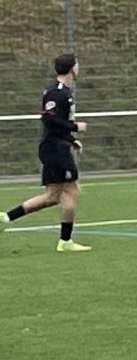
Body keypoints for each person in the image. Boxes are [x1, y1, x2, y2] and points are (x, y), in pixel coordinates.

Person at [4, 53, 90, 251]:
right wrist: (75, 127)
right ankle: (65, 241)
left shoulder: (64, 92)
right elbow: (49, 120)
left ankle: (6, 217)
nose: (79, 68)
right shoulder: (56, 93)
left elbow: (56, 125)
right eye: (77, 64)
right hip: (55, 149)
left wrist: (71, 140)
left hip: (56, 146)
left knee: (52, 196)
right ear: (72, 68)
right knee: (72, 191)